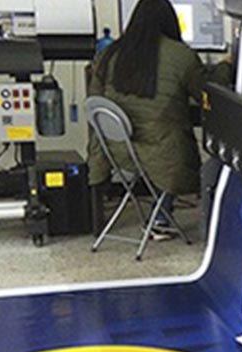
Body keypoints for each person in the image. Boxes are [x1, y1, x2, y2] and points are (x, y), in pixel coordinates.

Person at [87, 0, 203, 240]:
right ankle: (160, 217)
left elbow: (95, 99)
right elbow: (205, 94)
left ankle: (158, 216)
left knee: (162, 139)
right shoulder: (181, 56)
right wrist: (226, 67)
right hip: (162, 153)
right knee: (170, 139)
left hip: (117, 148)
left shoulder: (109, 53)